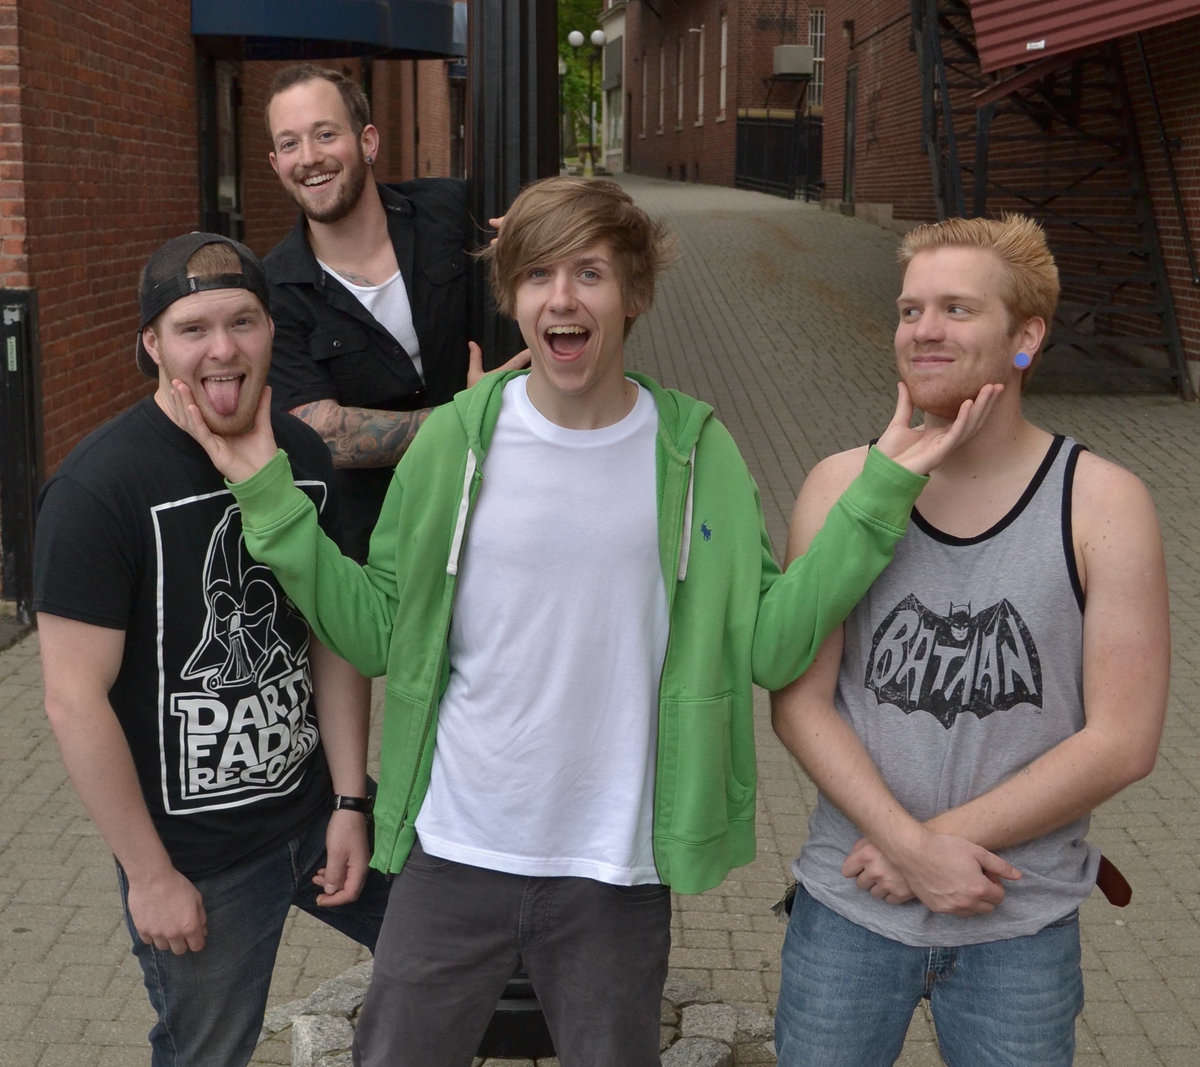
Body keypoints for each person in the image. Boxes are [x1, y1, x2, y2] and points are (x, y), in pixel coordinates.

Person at [163, 177, 997, 1067]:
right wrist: (268, 494)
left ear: (632, 293)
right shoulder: (456, 441)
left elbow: (772, 645)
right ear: (514, 296)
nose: (561, 297)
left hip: (614, 868)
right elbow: (373, 633)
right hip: (455, 850)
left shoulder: (696, 451)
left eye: (589, 273)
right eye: (538, 275)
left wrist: (879, 495)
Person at [771, 214, 1170, 1066]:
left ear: (1026, 337)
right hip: (849, 904)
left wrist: (933, 847)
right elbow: (800, 701)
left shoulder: (1102, 503)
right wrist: (911, 849)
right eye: (910, 309)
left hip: (1016, 920)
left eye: (957, 309)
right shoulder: (839, 486)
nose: (923, 329)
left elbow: (1123, 739)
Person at [33, 233, 390, 1067]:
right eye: (193, 329)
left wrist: (349, 799)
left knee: (445, 935)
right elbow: (73, 700)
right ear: (153, 345)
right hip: (198, 862)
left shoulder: (302, 455)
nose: (222, 349)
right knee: (208, 1054)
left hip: (315, 810)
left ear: (270, 331)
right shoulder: (98, 489)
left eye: (242, 322)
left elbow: (331, 634)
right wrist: (150, 875)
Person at [263, 63, 523, 560]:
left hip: (500, 507)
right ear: (276, 163)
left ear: (367, 142)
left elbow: (574, 230)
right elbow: (322, 433)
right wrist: (470, 417)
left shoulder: (453, 210)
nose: (310, 157)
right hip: (381, 543)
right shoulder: (275, 289)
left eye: (325, 134)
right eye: (290, 144)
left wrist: (536, 230)